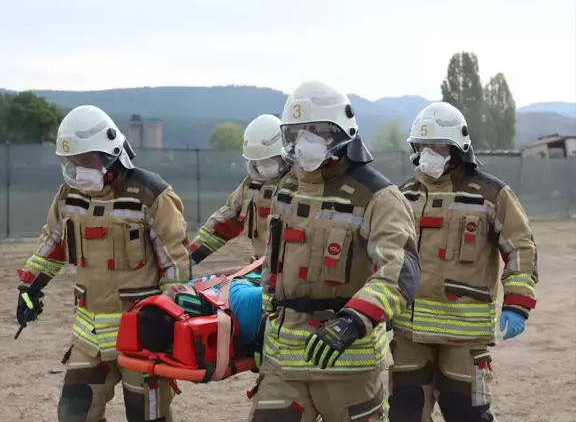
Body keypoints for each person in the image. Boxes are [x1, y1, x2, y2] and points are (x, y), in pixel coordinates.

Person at [249, 80, 421, 422]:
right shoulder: (287, 189)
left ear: (341, 134)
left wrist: (353, 320)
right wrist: (263, 322)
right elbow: (274, 264)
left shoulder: (377, 196)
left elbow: (402, 270)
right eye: (296, 132)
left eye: (314, 131)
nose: (303, 142)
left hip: (348, 364)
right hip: (284, 360)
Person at [14, 105, 191, 422]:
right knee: (73, 414)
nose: (79, 170)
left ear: (110, 152)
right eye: (72, 163)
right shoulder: (69, 196)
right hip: (89, 339)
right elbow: (51, 244)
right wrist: (29, 288)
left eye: (85, 161)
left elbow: (175, 264)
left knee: (148, 418)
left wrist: (169, 312)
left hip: (142, 338)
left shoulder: (152, 196)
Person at [388, 102, 539, 422]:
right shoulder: (403, 195)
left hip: (464, 337)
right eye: (422, 145)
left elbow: (520, 248)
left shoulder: (491, 194)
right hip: (408, 334)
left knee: (467, 414)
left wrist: (517, 303)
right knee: (404, 413)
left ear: (458, 149)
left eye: (438, 145)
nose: (428, 152)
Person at [189, 114, 291, 269]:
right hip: (259, 272)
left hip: (291, 277)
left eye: (269, 160)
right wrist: (188, 259)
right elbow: (224, 224)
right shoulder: (251, 186)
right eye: (257, 163)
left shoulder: (304, 185)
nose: (263, 167)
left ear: (284, 155)